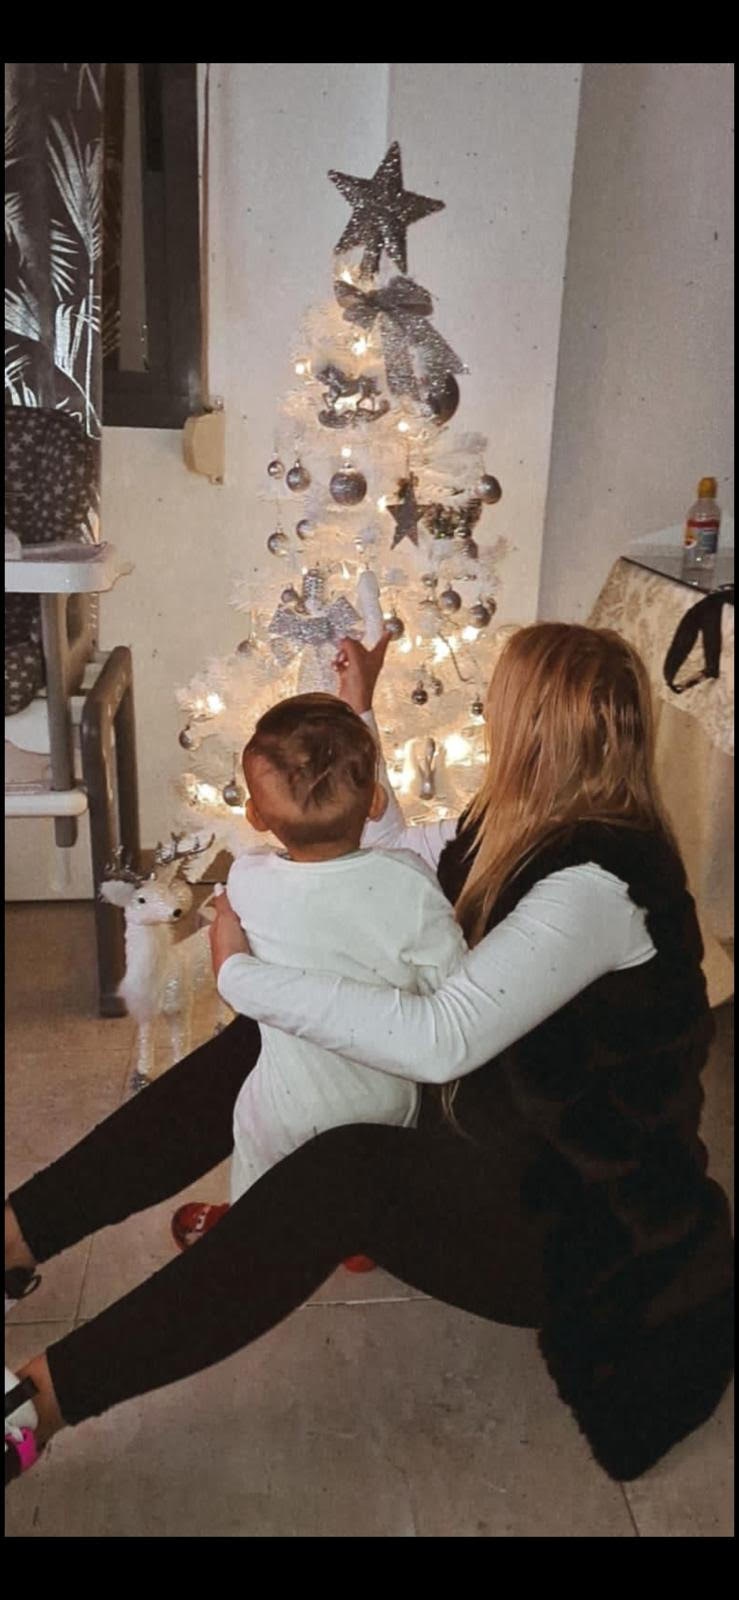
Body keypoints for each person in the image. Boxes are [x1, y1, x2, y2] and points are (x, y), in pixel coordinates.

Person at [5, 623, 733, 1489]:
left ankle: (35, 1408)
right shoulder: (534, 818)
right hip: (497, 1133)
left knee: (342, 1172)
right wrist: (358, 714)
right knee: (262, 1044)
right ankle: (15, 1237)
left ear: (536, 730)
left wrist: (241, 975)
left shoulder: (598, 885)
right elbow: (396, 863)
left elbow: (440, 1040)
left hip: (579, 1226)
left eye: (501, 704)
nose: (490, 716)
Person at [215, 691, 464, 1202]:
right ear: (376, 801)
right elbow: (452, 983)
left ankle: (245, 1229)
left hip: (282, 1108)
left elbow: (233, 947)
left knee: (258, 1181)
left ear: (255, 816)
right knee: (368, 1194)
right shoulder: (408, 882)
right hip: (381, 1107)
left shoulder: (247, 879)